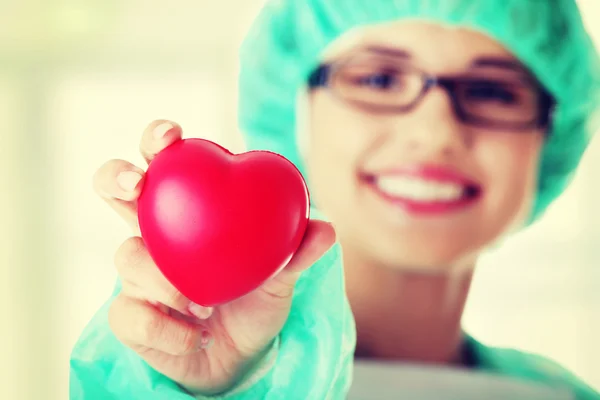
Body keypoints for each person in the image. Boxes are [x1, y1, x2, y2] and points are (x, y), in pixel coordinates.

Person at [70, 0, 600, 399]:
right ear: (296, 111)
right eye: (378, 77)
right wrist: (211, 386)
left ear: (551, 134)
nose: (436, 131)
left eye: (493, 91)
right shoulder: (217, 378)